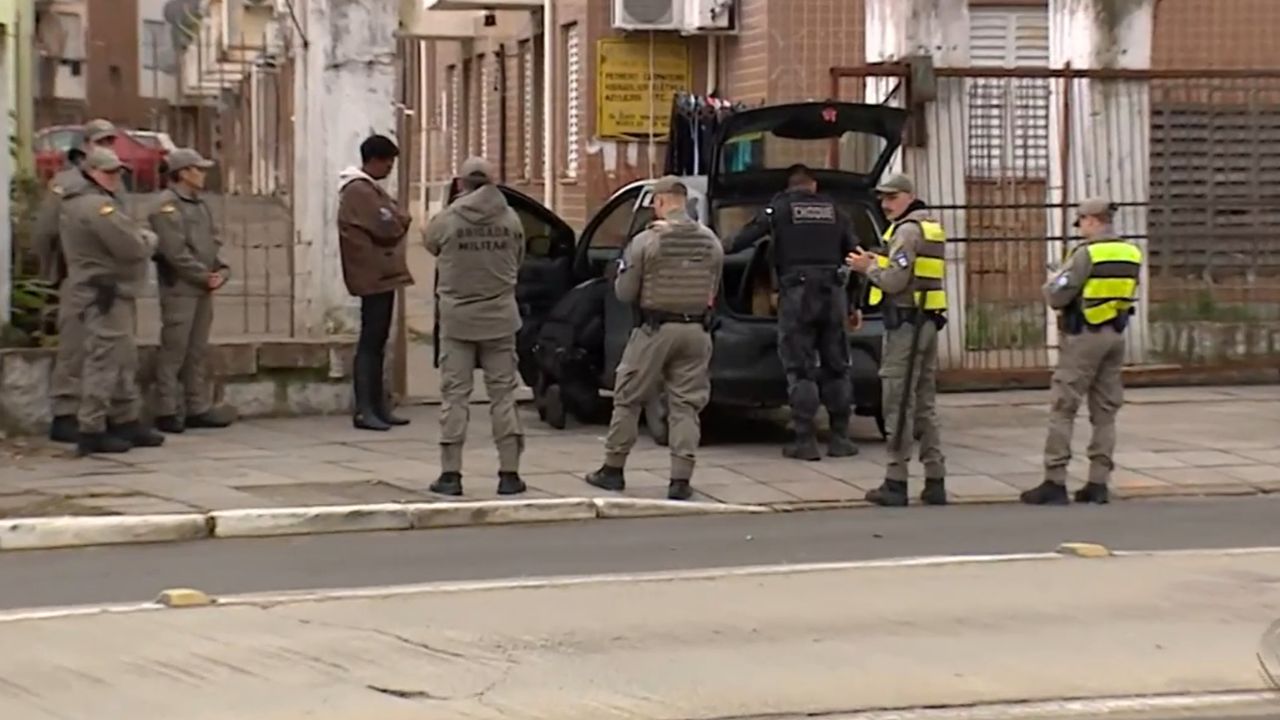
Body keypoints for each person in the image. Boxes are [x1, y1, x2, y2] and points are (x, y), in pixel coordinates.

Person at [585, 176, 724, 501]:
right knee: (686, 405)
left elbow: (624, 291)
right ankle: (680, 479)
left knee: (628, 397)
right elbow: (712, 290)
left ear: (661, 202)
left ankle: (613, 469)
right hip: (696, 332)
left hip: (655, 330)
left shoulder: (647, 241)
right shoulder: (711, 241)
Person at [727, 164, 862, 460]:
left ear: (790, 187)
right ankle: (840, 438)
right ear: (813, 186)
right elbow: (856, 257)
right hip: (833, 293)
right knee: (837, 366)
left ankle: (805, 440)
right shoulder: (836, 211)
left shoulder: (781, 209)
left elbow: (740, 241)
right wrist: (855, 304)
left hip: (798, 294)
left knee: (800, 369)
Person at [1022, 198, 1142, 506]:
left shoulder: (1085, 253)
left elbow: (1057, 295)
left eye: (1083, 223)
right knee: (1105, 412)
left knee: (1064, 407)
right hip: (1115, 335)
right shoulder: (1131, 252)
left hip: (1084, 335)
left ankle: (1055, 480)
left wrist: (1053, 279)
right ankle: (1098, 482)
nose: (1082, 229)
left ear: (1091, 220)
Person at [423, 156, 526, 497]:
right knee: (503, 396)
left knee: (455, 397)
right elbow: (520, 257)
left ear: (462, 184)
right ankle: (509, 473)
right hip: (499, 319)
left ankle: (451, 474)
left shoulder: (449, 219)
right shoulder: (510, 219)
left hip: (458, 321)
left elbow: (429, 242)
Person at [846, 173, 947, 507]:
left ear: (909, 196)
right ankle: (935, 479)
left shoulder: (906, 231)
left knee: (897, 403)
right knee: (924, 405)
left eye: (892, 198)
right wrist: (880, 262)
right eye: (883, 199)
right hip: (927, 323)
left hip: (906, 326)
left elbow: (894, 281)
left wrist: (867, 268)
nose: (885, 205)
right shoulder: (930, 227)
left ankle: (896, 480)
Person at [60, 147, 166, 455]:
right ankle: (92, 427)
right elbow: (131, 246)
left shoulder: (87, 203)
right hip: (104, 291)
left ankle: (125, 418)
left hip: (107, 290)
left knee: (123, 357)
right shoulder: (96, 208)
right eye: (108, 172)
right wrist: (148, 239)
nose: (115, 178)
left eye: (118, 172)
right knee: (105, 359)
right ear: (91, 173)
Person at [33, 118, 120, 444]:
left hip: (108, 279)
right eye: (100, 141)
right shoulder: (66, 182)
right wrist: (52, 275)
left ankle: (99, 412)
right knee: (74, 345)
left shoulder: (111, 178)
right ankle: (65, 411)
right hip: (77, 274)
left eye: (111, 141)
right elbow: (45, 231)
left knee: (105, 349)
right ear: (85, 145)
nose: (106, 146)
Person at [149, 148, 232, 433]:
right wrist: (202, 275)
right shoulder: (166, 206)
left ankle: (196, 406)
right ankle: (167, 409)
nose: (203, 174)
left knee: (196, 350)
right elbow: (174, 251)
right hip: (180, 287)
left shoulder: (200, 204)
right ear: (182, 173)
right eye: (197, 169)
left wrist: (221, 270)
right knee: (175, 349)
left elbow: (212, 241)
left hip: (202, 286)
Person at [338, 134, 414, 431]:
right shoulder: (360, 191)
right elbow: (390, 225)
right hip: (372, 275)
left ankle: (378, 405)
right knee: (371, 343)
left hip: (381, 274)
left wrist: (398, 217)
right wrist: (399, 219)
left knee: (379, 342)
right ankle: (365, 409)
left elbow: (395, 217)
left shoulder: (369, 189)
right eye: (389, 163)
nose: (390, 169)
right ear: (376, 160)